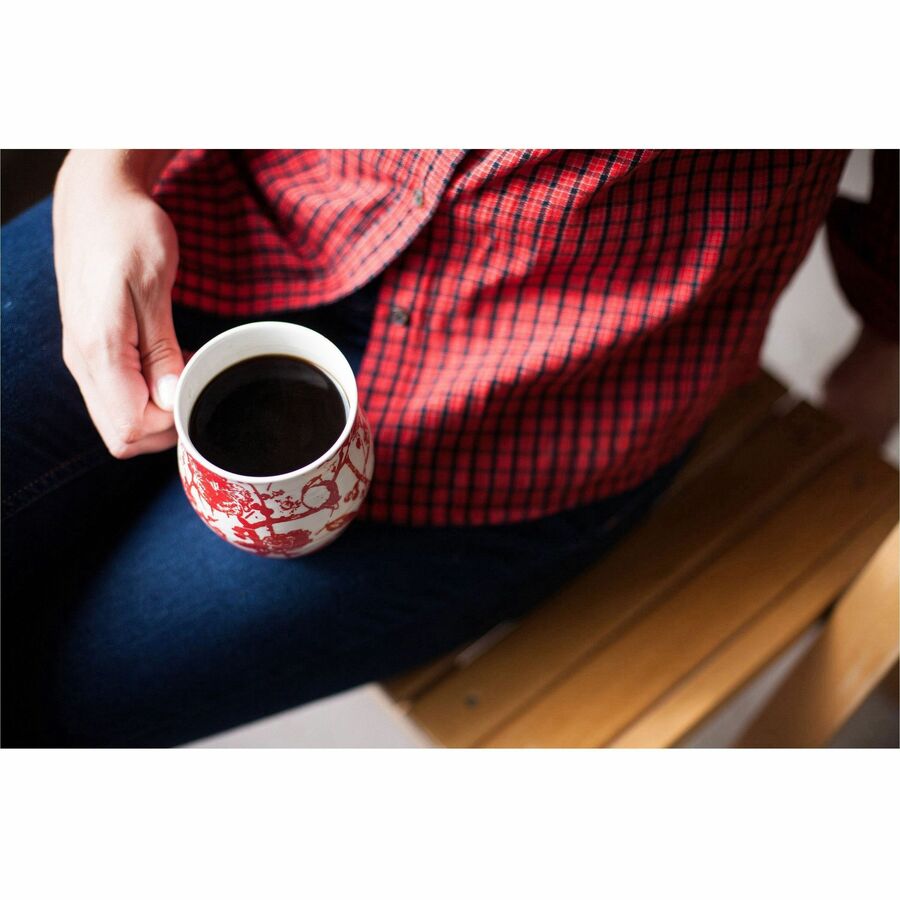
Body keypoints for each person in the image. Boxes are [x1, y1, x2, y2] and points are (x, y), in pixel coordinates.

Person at [2, 149, 896, 748]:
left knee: (55, 707)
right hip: (259, 198)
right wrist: (104, 170)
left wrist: (884, 348)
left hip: (543, 401)